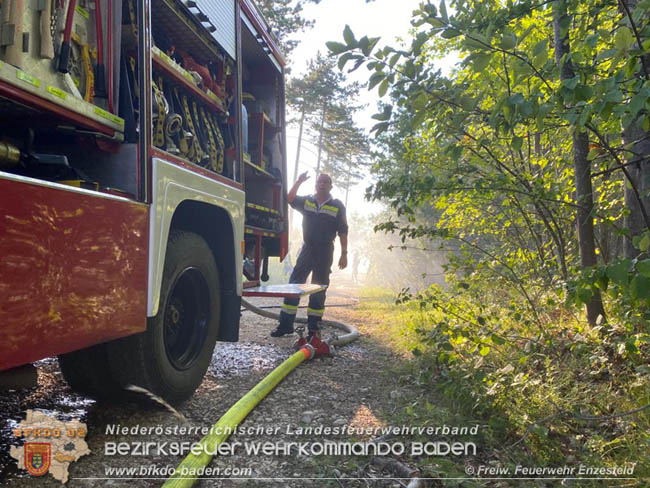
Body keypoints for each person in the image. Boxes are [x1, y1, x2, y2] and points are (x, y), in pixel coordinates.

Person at [271, 172, 348, 338]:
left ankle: (313, 329)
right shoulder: (307, 201)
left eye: (326, 182)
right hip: (307, 249)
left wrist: (344, 254)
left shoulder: (337, 206)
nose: (322, 184)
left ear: (331, 186)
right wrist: (298, 181)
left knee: (319, 288)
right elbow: (289, 198)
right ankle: (285, 325)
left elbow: (343, 231)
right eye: (320, 182)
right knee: (294, 285)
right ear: (315, 184)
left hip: (325, 251)